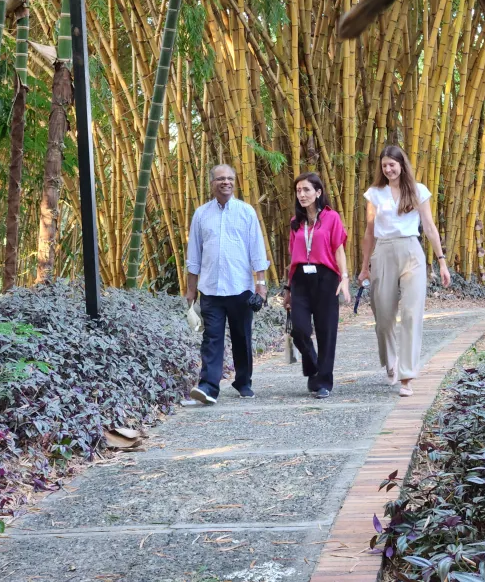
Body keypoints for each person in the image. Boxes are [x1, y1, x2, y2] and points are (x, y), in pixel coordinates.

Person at [358, 145, 451, 397]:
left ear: (402, 164)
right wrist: (365, 265)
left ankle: (407, 377)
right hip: (383, 253)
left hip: (412, 251)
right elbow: (369, 232)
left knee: (411, 314)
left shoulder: (418, 191)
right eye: (384, 165)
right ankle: (390, 362)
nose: (388, 169)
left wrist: (441, 262)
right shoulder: (375, 194)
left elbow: (430, 228)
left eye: (392, 164)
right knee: (384, 317)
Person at [186, 164, 270, 405]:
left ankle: (243, 382)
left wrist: (261, 285)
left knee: (242, 337)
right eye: (221, 179)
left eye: (230, 178)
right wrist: (191, 289)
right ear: (211, 183)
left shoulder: (246, 212)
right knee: (211, 339)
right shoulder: (201, 214)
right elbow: (194, 255)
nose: (226, 182)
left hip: (240, 288)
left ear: (235, 182)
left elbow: (256, 250)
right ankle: (209, 386)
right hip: (210, 289)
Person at [282, 172, 351, 399]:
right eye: (298, 191)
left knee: (326, 331)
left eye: (306, 190)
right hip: (301, 278)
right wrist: (288, 288)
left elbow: (338, 249)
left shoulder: (331, 218)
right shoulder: (295, 222)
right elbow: (293, 256)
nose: (302, 195)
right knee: (299, 328)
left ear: (318, 192)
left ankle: (324, 382)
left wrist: (345, 279)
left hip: (326, 278)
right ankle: (312, 364)